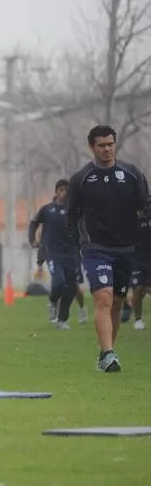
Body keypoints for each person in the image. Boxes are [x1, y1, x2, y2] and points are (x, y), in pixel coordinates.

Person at [66, 125, 149, 372]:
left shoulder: (132, 174)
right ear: (92, 147)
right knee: (103, 298)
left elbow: (146, 206)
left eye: (110, 144)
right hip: (95, 247)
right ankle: (109, 353)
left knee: (116, 303)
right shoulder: (80, 179)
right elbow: (72, 216)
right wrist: (76, 245)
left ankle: (106, 352)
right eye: (102, 145)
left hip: (127, 248)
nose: (107, 149)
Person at [28, 179, 80, 330]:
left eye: (66, 190)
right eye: (61, 189)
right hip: (53, 253)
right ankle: (52, 301)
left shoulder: (75, 210)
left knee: (71, 288)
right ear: (56, 192)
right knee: (59, 282)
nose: (64, 192)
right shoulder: (47, 210)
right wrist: (32, 240)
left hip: (71, 254)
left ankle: (62, 320)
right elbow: (33, 223)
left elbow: (83, 227)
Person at [128, 212, 150, 331]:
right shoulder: (131, 219)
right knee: (137, 288)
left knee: (147, 289)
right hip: (135, 259)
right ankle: (138, 320)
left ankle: (130, 306)